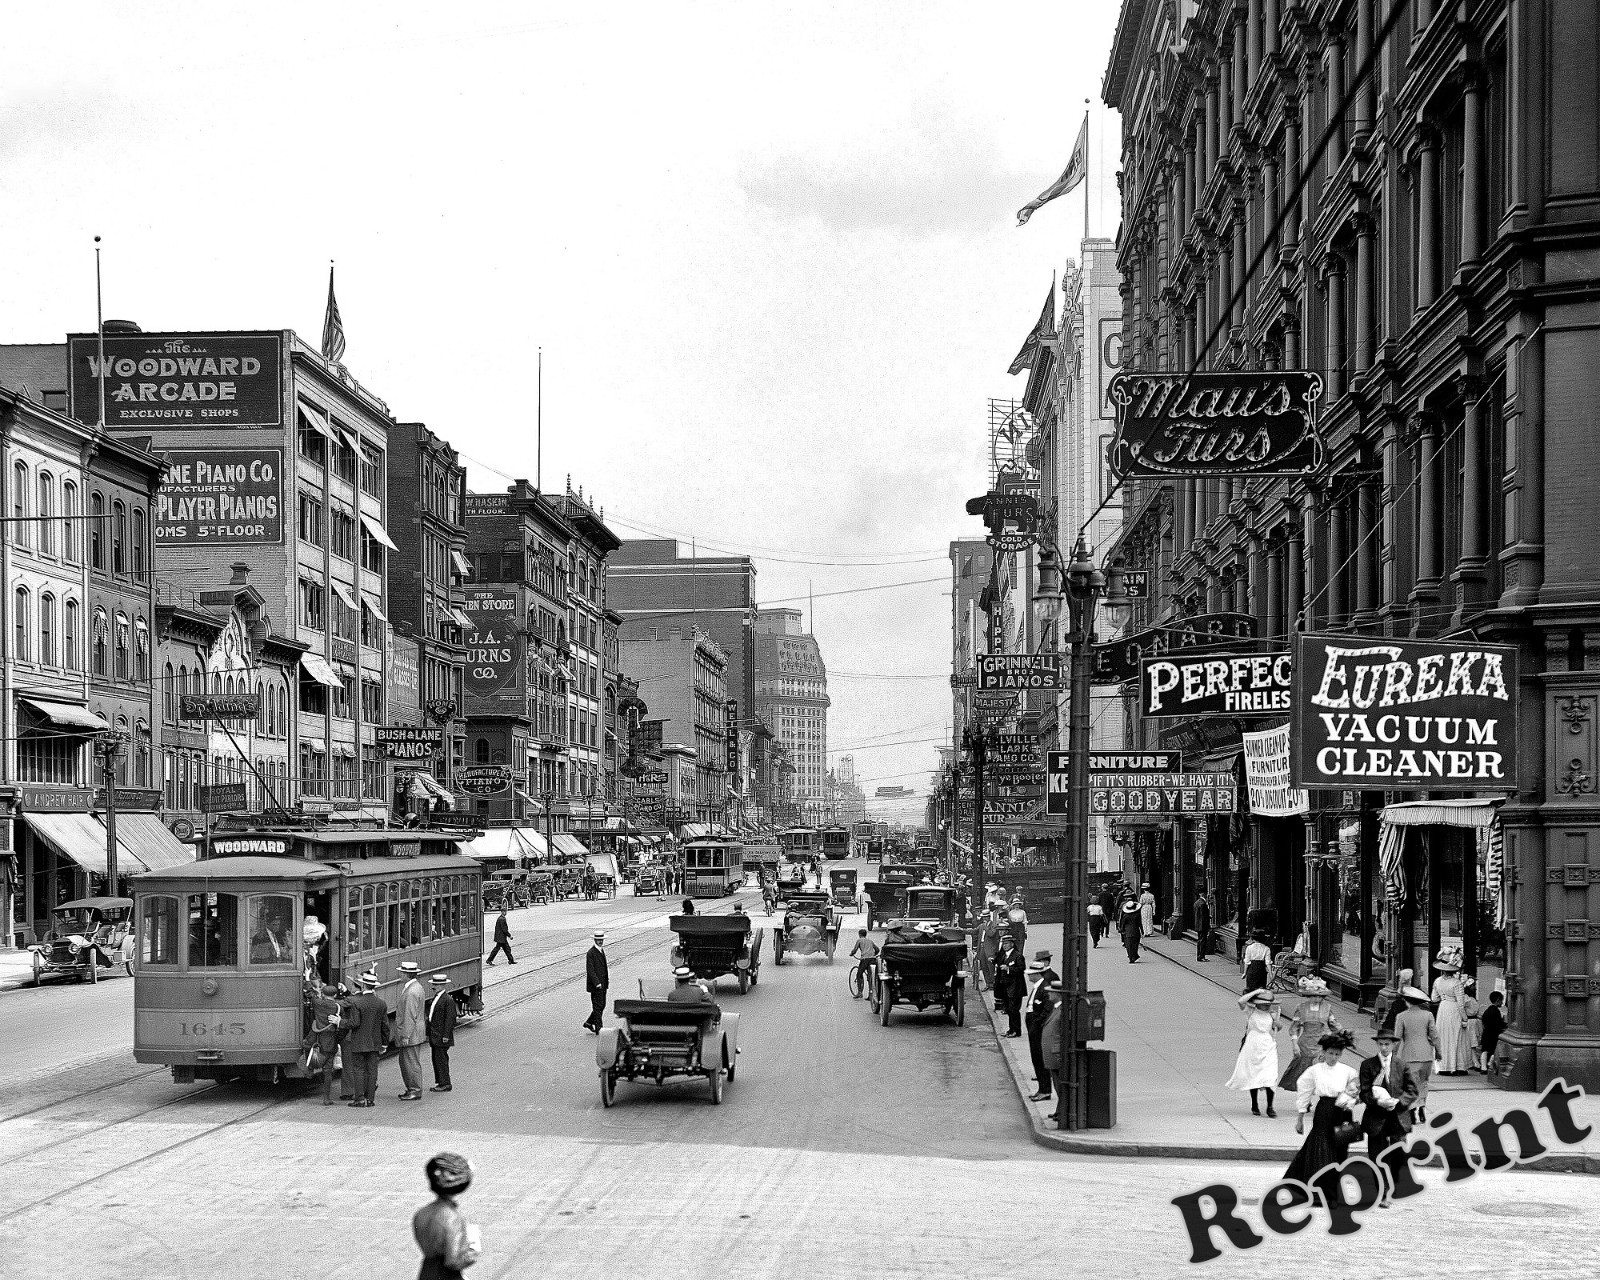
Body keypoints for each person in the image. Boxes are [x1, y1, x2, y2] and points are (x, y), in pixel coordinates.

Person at [1283, 1029, 1360, 1188]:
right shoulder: (1315, 1070)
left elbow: (1358, 1090)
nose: (1333, 1057)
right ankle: (1319, 1186)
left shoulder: (1348, 1071)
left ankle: (1333, 1183)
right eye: (1330, 1053)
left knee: (1340, 1147)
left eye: (1337, 1054)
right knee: (1321, 1146)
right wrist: (1300, 1117)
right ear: (1323, 1052)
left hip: (1343, 1111)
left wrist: (1353, 1099)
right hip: (1325, 1109)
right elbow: (1304, 1090)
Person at [1358, 1026, 1419, 1201]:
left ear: (1393, 1045)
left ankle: (1392, 1183)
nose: (1384, 1048)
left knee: (1398, 1155)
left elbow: (1412, 1090)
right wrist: (1378, 1101)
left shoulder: (1401, 1065)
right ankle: (1382, 1192)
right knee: (1377, 1156)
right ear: (1377, 1044)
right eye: (1381, 1044)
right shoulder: (1368, 1065)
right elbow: (1364, 1092)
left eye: (1387, 1044)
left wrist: (1399, 1102)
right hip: (1376, 1117)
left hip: (1397, 1117)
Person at [413, 1152, 481, 1279]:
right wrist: (473, 1250)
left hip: (426, 1273)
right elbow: (453, 1261)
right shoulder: (452, 1218)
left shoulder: (421, 1213)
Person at [1277, 977, 1343, 1093]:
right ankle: (1306, 1098)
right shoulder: (1301, 1007)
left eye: (1319, 996)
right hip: (1305, 1044)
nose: (1317, 998)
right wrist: (1294, 1044)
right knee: (1304, 1073)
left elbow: (1334, 1025)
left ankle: (1321, 1096)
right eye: (1313, 995)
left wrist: (1340, 1036)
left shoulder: (1327, 1008)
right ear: (1308, 995)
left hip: (1322, 1044)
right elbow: (1295, 1027)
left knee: (1321, 1072)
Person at [1227, 989, 1283, 1116]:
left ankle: (1270, 1106)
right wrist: (1256, 991)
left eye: (1268, 1004)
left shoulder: (1272, 1014)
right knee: (1254, 1074)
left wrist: (1277, 1024)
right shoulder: (1250, 1011)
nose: (1266, 1006)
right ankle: (1254, 1104)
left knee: (1270, 1075)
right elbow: (1241, 1001)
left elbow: (1278, 1028)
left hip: (1267, 1044)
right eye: (1263, 1003)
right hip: (1253, 1044)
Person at [1394, 983, 1439, 1122]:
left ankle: (1412, 1109)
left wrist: (1393, 1055)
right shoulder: (1428, 1015)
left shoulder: (1401, 1016)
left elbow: (1397, 1038)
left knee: (1411, 1083)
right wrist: (1439, 1052)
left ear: (1406, 1001)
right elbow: (1434, 1036)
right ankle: (1422, 1107)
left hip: (1409, 1055)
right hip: (1426, 1054)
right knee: (1424, 1082)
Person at [345, 971, 390, 1107]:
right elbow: (385, 1026)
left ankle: (359, 1099)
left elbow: (354, 1023)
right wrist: (385, 1044)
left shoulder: (357, 1003)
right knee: (372, 1070)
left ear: (363, 985)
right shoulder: (381, 1003)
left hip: (359, 1043)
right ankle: (370, 1099)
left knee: (358, 1070)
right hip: (375, 1043)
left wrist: (339, 1021)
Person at [1023, 951, 1059, 1102]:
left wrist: (1038, 1022)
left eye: (1031, 974)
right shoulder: (1038, 986)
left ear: (1037, 975)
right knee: (1036, 1058)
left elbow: (1048, 1008)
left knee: (1040, 1059)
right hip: (1034, 1027)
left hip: (1038, 1028)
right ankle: (1042, 1088)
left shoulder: (1044, 987)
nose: (1028, 976)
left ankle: (1045, 1090)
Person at [1430, 953, 1472, 1075]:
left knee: (1443, 1037)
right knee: (1456, 1037)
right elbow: (1460, 1003)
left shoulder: (1437, 981)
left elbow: (1434, 999)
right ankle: (1457, 1066)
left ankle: (1444, 1066)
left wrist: (1444, 997)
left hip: (1443, 1009)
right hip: (1454, 1010)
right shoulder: (1457, 983)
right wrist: (1465, 1018)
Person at [308, 982, 346, 1105]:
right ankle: (326, 1098)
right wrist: (338, 1039)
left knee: (311, 1059)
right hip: (330, 1041)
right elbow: (343, 1027)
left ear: (323, 994)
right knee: (328, 1070)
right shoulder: (338, 1007)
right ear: (335, 995)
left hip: (317, 1040)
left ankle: (309, 1072)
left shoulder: (318, 1003)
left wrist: (309, 979)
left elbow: (309, 992)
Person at [396, 961, 429, 1102]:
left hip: (411, 1033)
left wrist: (405, 1035)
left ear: (406, 974)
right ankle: (412, 1088)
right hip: (415, 1031)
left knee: (410, 1062)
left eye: (402, 972)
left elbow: (410, 1015)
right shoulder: (416, 987)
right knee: (408, 1061)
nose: (400, 975)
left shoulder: (411, 992)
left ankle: (415, 1090)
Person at [426, 973, 457, 1093]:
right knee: (437, 1059)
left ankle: (445, 1083)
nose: (433, 986)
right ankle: (440, 1081)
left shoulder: (447, 999)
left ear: (442, 985)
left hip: (441, 1036)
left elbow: (450, 1019)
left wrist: (445, 1035)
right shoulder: (438, 997)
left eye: (436, 984)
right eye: (433, 984)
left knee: (441, 1059)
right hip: (435, 1034)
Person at [1040, 983, 1065, 1126]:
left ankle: (1062, 1112)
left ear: (1058, 994)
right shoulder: (1056, 1008)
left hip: (1056, 1054)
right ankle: (1059, 1110)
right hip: (1051, 1054)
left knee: (1060, 1084)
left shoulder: (1062, 1010)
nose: (1048, 994)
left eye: (1051, 992)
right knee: (1057, 1084)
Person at [993, 934, 1025, 1037]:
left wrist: (1008, 969)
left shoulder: (1017, 955)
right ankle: (1011, 1030)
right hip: (1006, 988)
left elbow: (1021, 969)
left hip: (1015, 988)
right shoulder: (1004, 955)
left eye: (1006, 944)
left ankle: (1016, 1030)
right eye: (1003, 944)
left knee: (1014, 1010)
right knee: (1009, 1010)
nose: (1004, 946)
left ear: (1012, 944)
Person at [583, 932, 608, 1034]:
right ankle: (599, 1028)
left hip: (603, 984)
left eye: (601, 939)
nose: (600, 941)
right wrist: (597, 983)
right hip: (596, 985)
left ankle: (589, 1022)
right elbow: (590, 970)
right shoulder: (591, 953)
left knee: (601, 1005)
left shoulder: (601, 951)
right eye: (598, 940)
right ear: (594, 940)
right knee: (598, 1006)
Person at [1480, 990, 1506, 1073]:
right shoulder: (1496, 1012)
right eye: (1501, 1000)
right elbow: (1498, 1024)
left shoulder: (1487, 1011)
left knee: (1484, 1050)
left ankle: (1483, 1067)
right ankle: (1489, 1064)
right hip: (1493, 1035)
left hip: (1486, 1033)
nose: (1502, 1003)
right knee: (1493, 1051)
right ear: (1498, 1000)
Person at [848, 928, 879, 998]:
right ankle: (871, 994)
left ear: (859, 934)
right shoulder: (870, 941)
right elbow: (877, 949)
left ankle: (859, 993)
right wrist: (873, 954)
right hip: (872, 959)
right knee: (871, 976)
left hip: (865, 959)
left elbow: (855, 950)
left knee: (859, 975)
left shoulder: (859, 940)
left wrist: (851, 953)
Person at [977, 908, 1001, 992]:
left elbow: (991, 934)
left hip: (990, 949)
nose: (984, 919)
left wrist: (986, 927)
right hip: (982, 948)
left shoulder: (993, 925)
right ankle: (988, 983)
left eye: (985, 917)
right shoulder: (981, 926)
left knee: (991, 967)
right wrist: (962, 930)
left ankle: (993, 984)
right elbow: (974, 931)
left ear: (988, 917)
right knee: (984, 967)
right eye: (983, 917)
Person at [1194, 892, 1212, 962]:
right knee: (1203, 941)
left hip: (1198, 925)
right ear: (1204, 895)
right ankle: (1201, 957)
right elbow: (1203, 916)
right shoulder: (1203, 904)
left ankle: (1199, 955)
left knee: (1199, 941)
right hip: (1203, 926)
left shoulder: (1196, 902)